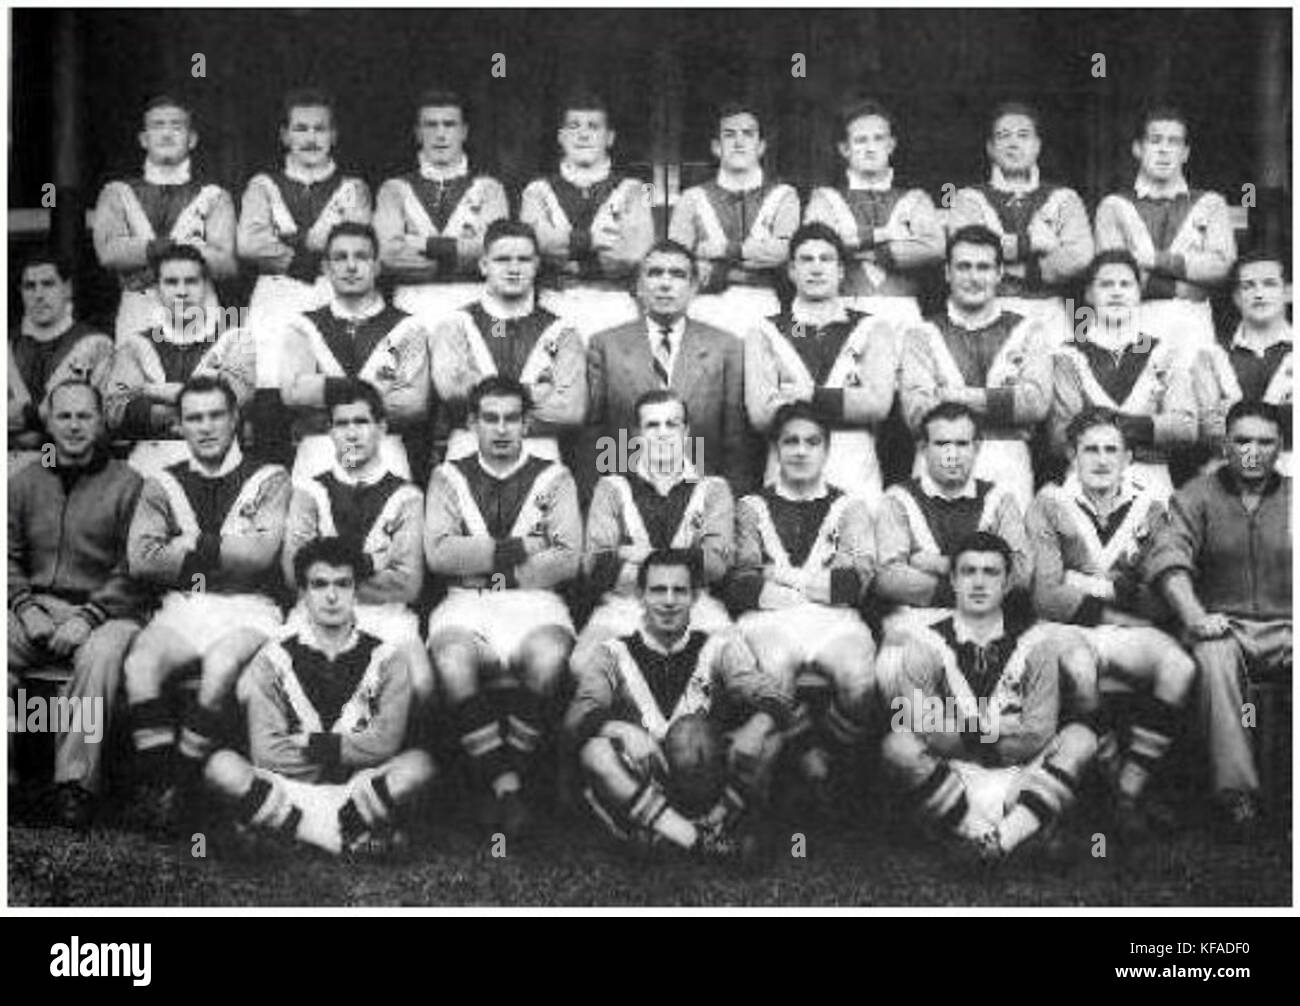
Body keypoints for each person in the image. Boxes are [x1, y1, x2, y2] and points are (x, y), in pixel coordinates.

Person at [123, 375, 290, 831]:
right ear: (178, 425)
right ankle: (161, 787)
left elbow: (259, 556)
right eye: (194, 418)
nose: (206, 426)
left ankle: (185, 786)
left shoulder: (268, 477)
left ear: (236, 418)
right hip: (186, 604)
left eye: (217, 415)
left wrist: (187, 544)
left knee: (219, 664)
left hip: (249, 606)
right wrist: (224, 551)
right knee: (140, 665)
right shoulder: (162, 482)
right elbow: (141, 560)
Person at [204, 537, 434, 856]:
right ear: (302, 593)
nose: (331, 596)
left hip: (357, 786)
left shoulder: (388, 658)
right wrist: (349, 750)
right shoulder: (272, 658)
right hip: (289, 787)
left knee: (420, 765)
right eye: (319, 584)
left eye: (343, 584)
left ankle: (287, 832)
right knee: (221, 766)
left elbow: (385, 743)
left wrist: (315, 744)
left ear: (356, 591)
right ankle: (342, 835)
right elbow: (267, 752)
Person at [877, 531, 1099, 861]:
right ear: (952, 580)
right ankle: (985, 831)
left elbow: (1039, 731)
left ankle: (999, 841)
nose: (979, 583)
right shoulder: (922, 644)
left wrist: (963, 727)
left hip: (1020, 776)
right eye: (968, 572)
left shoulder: (1037, 642)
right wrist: (1001, 726)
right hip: (954, 775)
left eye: (991, 572)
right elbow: (925, 727)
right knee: (898, 744)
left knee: (1081, 738)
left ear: (1008, 582)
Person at [424, 376, 582, 837]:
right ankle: (509, 786)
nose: (501, 429)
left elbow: (567, 559)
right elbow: (439, 555)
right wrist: (522, 547)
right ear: (472, 422)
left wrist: (485, 565)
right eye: (490, 418)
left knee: (550, 657)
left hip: (535, 603)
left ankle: (502, 780)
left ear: (527, 423)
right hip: (466, 604)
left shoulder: (555, 477)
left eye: (511, 418)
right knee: (452, 659)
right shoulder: (447, 476)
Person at [1026, 407, 1194, 835]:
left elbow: (1156, 602)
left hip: (1124, 631)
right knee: (1080, 669)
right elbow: (1046, 597)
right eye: (1090, 450)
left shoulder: (1152, 507)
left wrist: (1081, 582)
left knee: (1180, 666)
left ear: (1128, 458)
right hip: (1064, 630)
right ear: (1071, 455)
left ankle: (1129, 789)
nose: (1101, 460)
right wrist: (1119, 591)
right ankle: (1110, 771)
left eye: (1111, 450)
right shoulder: (1048, 504)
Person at [568, 548, 789, 858]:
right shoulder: (612, 652)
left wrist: (757, 726)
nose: (669, 601)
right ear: (640, 596)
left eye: (679, 591)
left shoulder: (717, 648)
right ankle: (697, 839)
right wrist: (620, 729)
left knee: (771, 737)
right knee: (595, 753)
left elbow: (773, 696)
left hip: (706, 771)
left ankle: (687, 827)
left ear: (695, 598)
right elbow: (578, 714)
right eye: (658, 590)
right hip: (647, 776)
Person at [1145, 400, 1290, 833]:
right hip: (1226, 628)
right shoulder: (1195, 496)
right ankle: (1237, 796)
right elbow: (1168, 558)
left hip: (1289, 627)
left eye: (1265, 442)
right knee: (1212, 656)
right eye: (1242, 440)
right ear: (1225, 445)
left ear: (1280, 447)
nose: (1252, 451)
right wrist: (1194, 617)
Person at [8, 381, 146, 827]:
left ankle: (75, 785)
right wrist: (24, 607)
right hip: (35, 608)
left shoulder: (129, 483)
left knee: (101, 656)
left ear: (101, 420)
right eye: (64, 416)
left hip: (107, 612)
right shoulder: (25, 480)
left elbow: (136, 567)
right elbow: (5, 555)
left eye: (84, 416)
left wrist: (89, 617)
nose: (73, 426)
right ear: (48, 421)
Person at [726, 402, 877, 805]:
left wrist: (781, 577)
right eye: (790, 441)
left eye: (812, 442)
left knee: (860, 681)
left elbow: (854, 582)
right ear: (776, 448)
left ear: (826, 450)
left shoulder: (850, 507)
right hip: (768, 619)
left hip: (834, 620)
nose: (800, 451)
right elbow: (741, 580)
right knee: (775, 669)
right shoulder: (750, 507)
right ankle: (805, 757)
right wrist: (813, 583)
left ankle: (827, 755)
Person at [281, 379, 432, 706]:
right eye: (341, 424)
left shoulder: (407, 497)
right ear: (331, 431)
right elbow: (294, 575)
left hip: (387, 618)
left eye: (361, 422)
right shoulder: (309, 492)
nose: (352, 433)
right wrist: (374, 565)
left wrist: (324, 574)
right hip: (314, 615)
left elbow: (407, 585)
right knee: (266, 685)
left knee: (420, 683)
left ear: (381, 427)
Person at [576, 390, 734, 675]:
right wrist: (686, 563)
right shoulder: (611, 487)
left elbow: (715, 565)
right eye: (652, 425)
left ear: (686, 432)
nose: (662, 434)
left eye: (671, 424)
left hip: (697, 606)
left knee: (735, 663)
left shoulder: (713, 488)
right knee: (582, 665)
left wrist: (633, 554)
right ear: (637, 434)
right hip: (625, 607)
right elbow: (597, 565)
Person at [899, 224, 1053, 512]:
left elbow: (1036, 402)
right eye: (963, 267)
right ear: (947, 272)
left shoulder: (1029, 329)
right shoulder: (921, 333)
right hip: (940, 459)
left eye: (983, 267)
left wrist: (957, 396)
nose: (973, 277)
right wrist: (1001, 401)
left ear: (999, 273)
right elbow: (917, 411)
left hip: (1008, 461)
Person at [744, 223, 899, 504]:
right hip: (788, 472)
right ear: (791, 270)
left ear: (841, 270)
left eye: (826, 259)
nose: (816, 269)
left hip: (854, 473)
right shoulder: (763, 330)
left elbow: (877, 404)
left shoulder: (873, 327)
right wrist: (847, 401)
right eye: (806, 259)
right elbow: (761, 414)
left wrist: (807, 396)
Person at [587, 241, 752, 499]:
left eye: (677, 275)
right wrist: (594, 501)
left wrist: (730, 505)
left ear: (694, 287)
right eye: (654, 273)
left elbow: (737, 442)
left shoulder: (726, 347)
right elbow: (591, 436)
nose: (665, 284)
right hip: (628, 500)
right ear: (639, 286)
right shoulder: (606, 345)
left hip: (700, 498)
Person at [277, 222, 432, 485]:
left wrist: (325, 392)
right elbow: (293, 392)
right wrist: (376, 392)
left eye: (361, 257)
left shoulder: (408, 328)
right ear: (326, 268)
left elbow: (413, 403)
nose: (350, 266)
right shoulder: (302, 326)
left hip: (385, 449)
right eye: (340, 258)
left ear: (377, 266)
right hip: (320, 448)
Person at [237, 88, 372, 388]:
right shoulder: (263, 185)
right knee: (270, 384)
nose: (311, 139)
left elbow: (353, 245)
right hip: (275, 297)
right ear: (285, 135)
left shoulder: (353, 188)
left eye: (320, 129)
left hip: (332, 294)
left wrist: (284, 240)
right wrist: (314, 254)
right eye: (301, 129)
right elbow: (248, 243)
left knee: (331, 386)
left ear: (334, 135)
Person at [429, 219, 586, 463]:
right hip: (468, 452)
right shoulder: (455, 325)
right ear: (484, 265)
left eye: (523, 260)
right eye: (502, 259)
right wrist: (536, 392)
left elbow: (570, 410)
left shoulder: (563, 332)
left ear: (536, 265)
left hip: (540, 454)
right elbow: (452, 389)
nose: (514, 268)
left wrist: (484, 403)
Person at [1049, 250, 1197, 500]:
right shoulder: (1067, 355)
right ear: (1088, 294)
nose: (1117, 292)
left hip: (1152, 482)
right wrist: (1149, 429)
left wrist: (1109, 422)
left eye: (1126, 284)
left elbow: (1186, 426)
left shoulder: (1164, 352)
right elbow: (1061, 435)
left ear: (1139, 293)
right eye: (1106, 284)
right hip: (1085, 483)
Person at [875, 402, 1030, 631]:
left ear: (977, 447)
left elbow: (1021, 573)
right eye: (941, 444)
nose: (952, 455)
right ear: (923, 448)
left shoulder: (1000, 499)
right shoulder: (898, 499)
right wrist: (982, 580)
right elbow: (889, 578)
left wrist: (933, 563)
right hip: (916, 622)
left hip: (988, 626)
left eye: (961, 444)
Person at [92, 95, 236, 341]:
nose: (167, 134)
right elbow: (108, 252)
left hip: (196, 308)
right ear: (144, 139)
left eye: (176, 126)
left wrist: (150, 254)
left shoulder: (215, 195)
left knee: (201, 378)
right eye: (158, 126)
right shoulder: (116, 192)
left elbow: (225, 264)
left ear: (192, 139)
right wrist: (180, 247)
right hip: (138, 308)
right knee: (136, 374)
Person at [103, 244, 255, 469]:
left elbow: (236, 400)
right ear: (157, 288)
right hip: (152, 463)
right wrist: (197, 407)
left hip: (219, 465)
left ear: (205, 285)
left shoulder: (235, 339)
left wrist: (150, 390)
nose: (182, 291)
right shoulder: (135, 345)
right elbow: (115, 412)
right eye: (171, 282)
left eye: (191, 281)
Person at [520, 93, 653, 342]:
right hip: (553, 301)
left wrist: (566, 257)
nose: (583, 135)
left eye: (593, 127)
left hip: (615, 304)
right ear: (561, 136)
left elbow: (634, 254)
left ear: (609, 137)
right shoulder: (537, 190)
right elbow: (534, 244)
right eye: (574, 126)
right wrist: (593, 241)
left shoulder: (635, 188)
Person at [373, 89, 509, 329]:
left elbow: (496, 252)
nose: (440, 134)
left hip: (473, 302)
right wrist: (462, 255)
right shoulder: (394, 189)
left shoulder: (490, 189)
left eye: (449, 124)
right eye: (431, 125)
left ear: (464, 132)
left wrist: (421, 245)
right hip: (410, 305)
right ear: (418, 133)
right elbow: (387, 254)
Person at [668, 102, 800, 334]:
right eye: (730, 135)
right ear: (717, 147)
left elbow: (783, 251)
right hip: (704, 308)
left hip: (766, 304)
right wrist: (749, 257)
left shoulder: (784, 195)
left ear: (760, 147)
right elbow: (676, 261)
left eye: (748, 135)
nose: (739, 142)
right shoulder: (692, 198)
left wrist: (719, 251)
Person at [948, 102, 1093, 303]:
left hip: (1048, 311)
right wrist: (1033, 243)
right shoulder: (968, 198)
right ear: (990, 147)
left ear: (1037, 145)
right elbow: (968, 254)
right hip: (986, 309)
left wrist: (1011, 269)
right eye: (1003, 136)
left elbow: (1079, 258)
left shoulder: (1065, 198)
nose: (1013, 144)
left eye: (1023, 135)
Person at [803, 99, 944, 302]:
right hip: (842, 308)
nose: (870, 148)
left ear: (891, 145)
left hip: (904, 310)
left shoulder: (916, 198)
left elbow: (935, 248)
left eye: (878, 139)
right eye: (861, 140)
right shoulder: (824, 198)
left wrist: (875, 254)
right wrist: (890, 234)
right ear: (844, 149)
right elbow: (818, 247)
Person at [1094, 106, 1236, 305]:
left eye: (1174, 142)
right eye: (1155, 140)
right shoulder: (1113, 206)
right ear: (1137, 149)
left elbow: (1222, 268)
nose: (1164, 150)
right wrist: (1180, 288)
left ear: (1185, 153)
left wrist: (1153, 260)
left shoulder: (1211, 204)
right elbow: (1114, 276)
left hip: (1195, 326)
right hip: (1133, 321)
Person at [1193, 250, 1292, 475]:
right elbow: (1209, 430)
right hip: (1231, 484)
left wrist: (1236, 414)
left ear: (1289, 292)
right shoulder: (1211, 355)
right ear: (1237, 297)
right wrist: (1282, 413)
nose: (1259, 294)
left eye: (1269, 284)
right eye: (1248, 286)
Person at [8, 253, 114, 456]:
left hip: (75, 468)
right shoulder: (8, 348)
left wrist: (33, 427)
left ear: (67, 289)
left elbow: (102, 420)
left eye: (48, 284)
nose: (38, 295)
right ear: (20, 292)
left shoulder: (97, 346)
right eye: (30, 286)